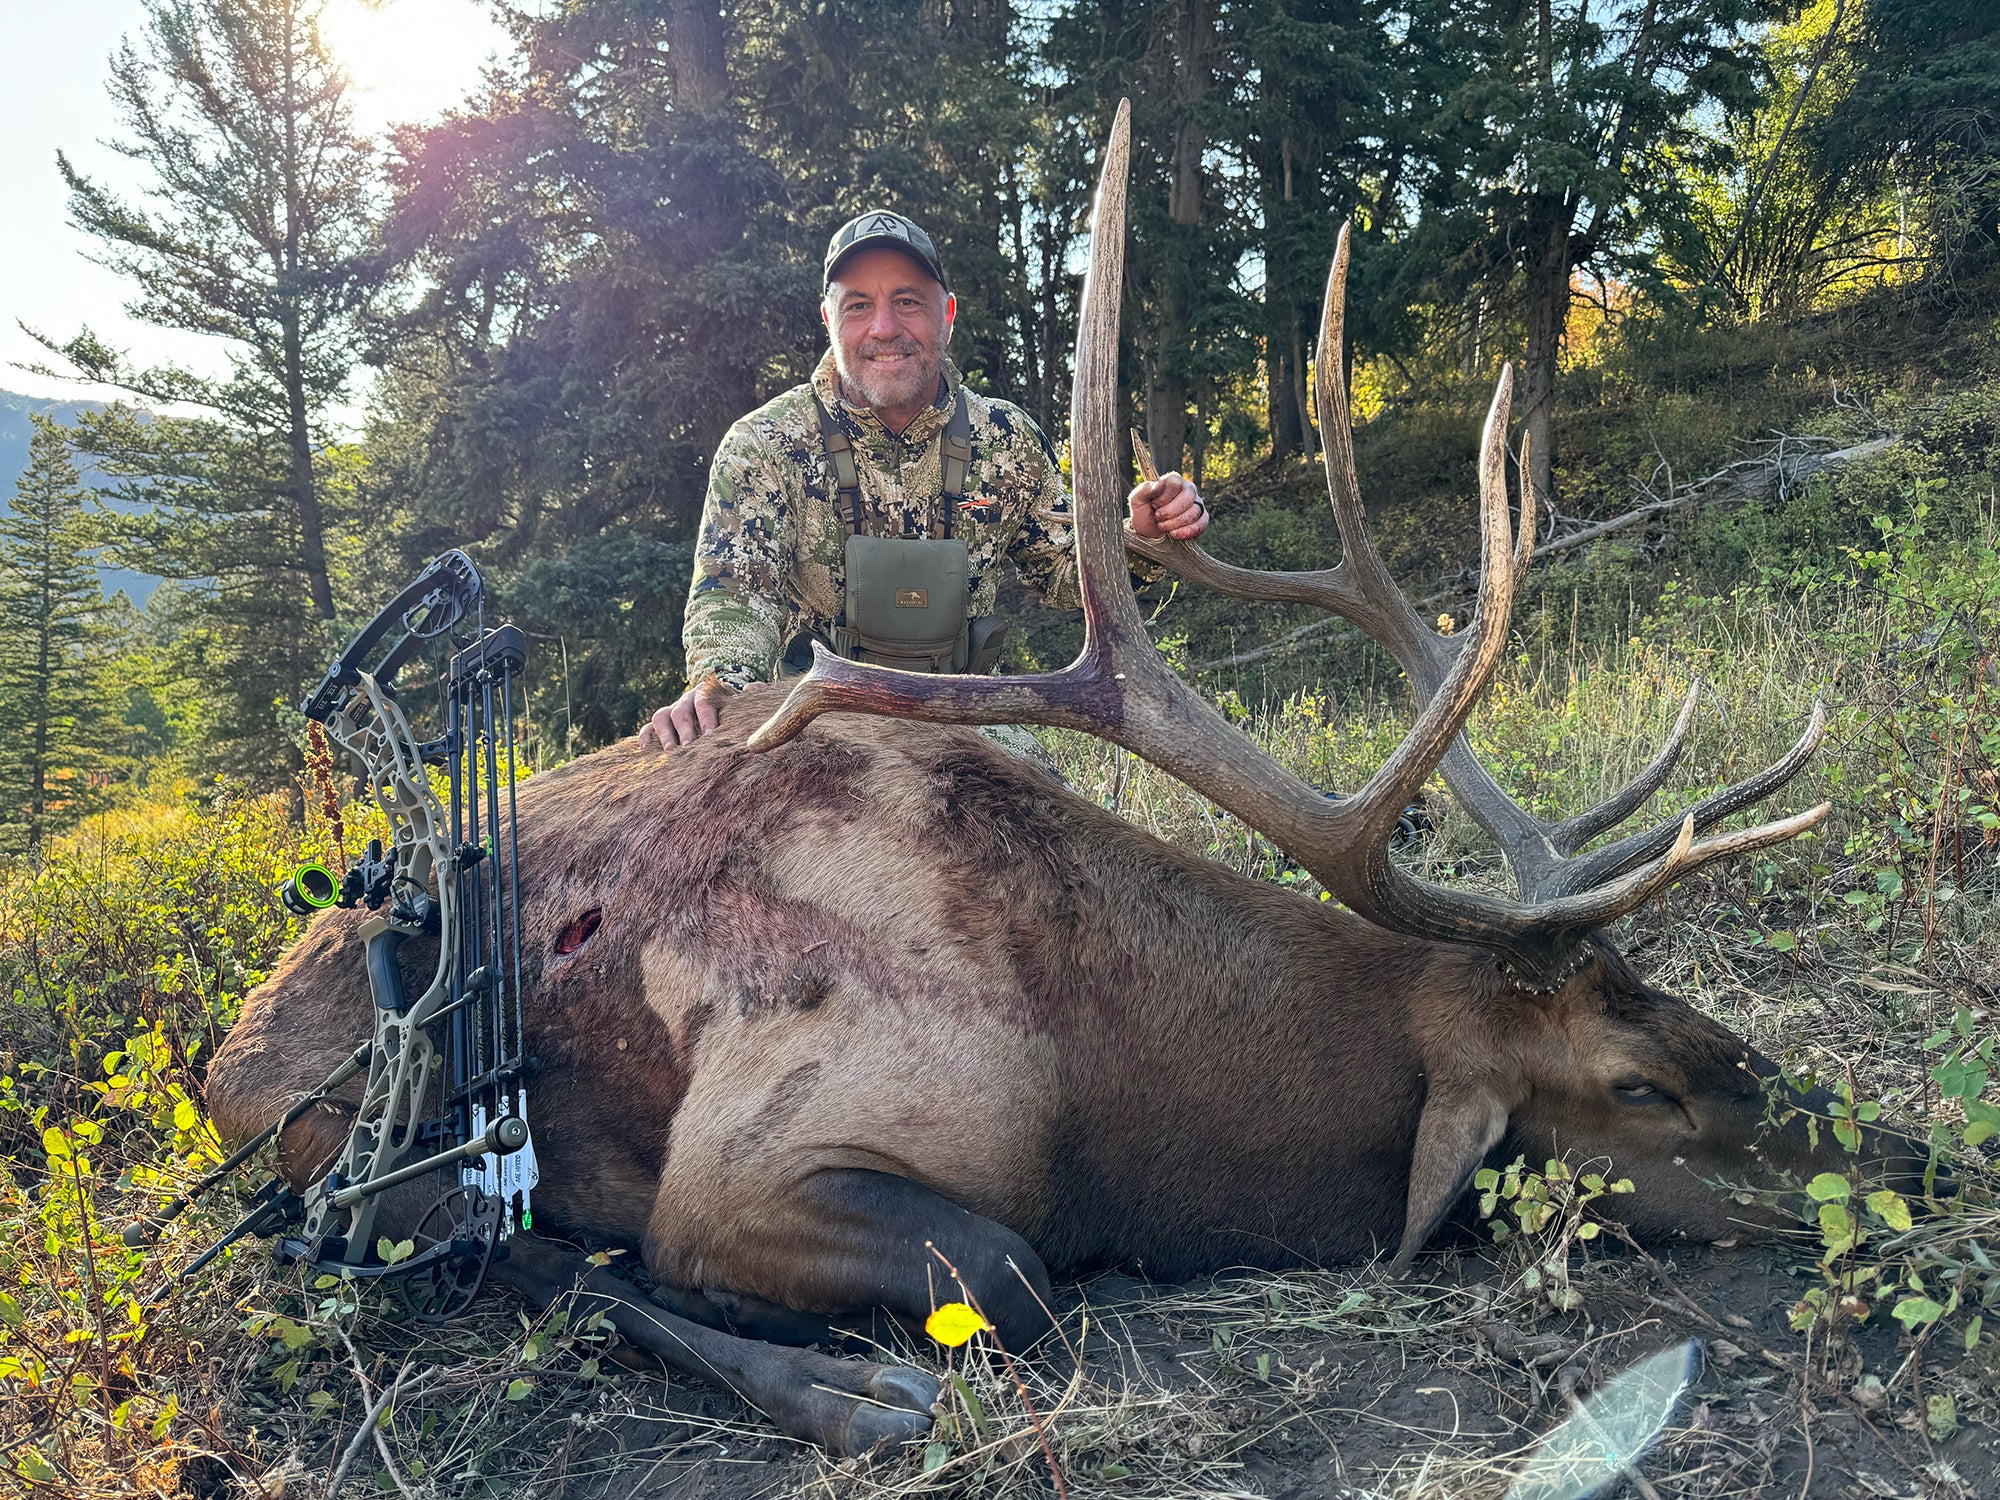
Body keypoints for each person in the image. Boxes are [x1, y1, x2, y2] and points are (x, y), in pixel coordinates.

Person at [642, 209, 1207, 749]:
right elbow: (735, 597)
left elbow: (1063, 571)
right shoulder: (762, 445)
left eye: (908, 301)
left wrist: (1138, 536)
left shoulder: (1006, 438)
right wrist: (718, 686)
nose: (884, 328)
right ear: (828, 320)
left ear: (948, 313)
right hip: (818, 722)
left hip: (970, 719)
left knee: (1042, 819)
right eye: (858, 305)